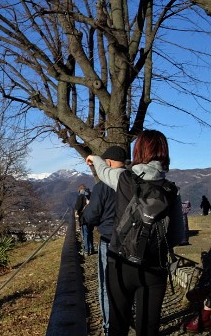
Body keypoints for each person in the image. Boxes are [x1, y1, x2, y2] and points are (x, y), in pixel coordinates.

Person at [86, 130, 184, 336]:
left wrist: (94, 158)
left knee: (118, 324)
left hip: (120, 263)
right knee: (148, 329)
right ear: (164, 153)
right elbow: (176, 236)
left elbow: (104, 171)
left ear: (138, 150)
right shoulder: (171, 190)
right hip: (154, 268)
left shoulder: (124, 179)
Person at [81, 146, 126, 335]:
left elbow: (91, 216)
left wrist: (85, 214)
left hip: (109, 241)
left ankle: (110, 327)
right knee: (127, 286)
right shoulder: (133, 182)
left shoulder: (102, 187)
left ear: (107, 163)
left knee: (107, 287)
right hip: (133, 243)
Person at [76, 185, 92, 254]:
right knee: (90, 233)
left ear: (80, 190)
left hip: (84, 218)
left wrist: (77, 212)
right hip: (91, 218)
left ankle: (86, 250)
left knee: (85, 234)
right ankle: (91, 249)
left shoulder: (81, 196)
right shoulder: (90, 195)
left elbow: (78, 207)